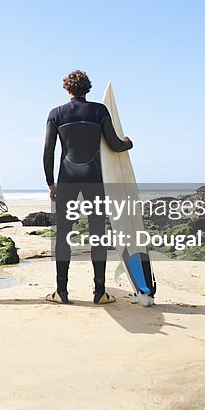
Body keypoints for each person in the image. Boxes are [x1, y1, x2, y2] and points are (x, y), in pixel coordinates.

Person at [43, 70, 132, 304]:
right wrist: (128, 143)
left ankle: (61, 292)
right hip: (94, 178)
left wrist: (50, 182)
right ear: (88, 89)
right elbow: (114, 144)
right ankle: (99, 292)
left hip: (67, 178)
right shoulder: (99, 111)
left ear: (67, 89)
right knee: (97, 235)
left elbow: (48, 152)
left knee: (63, 235)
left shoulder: (56, 114)